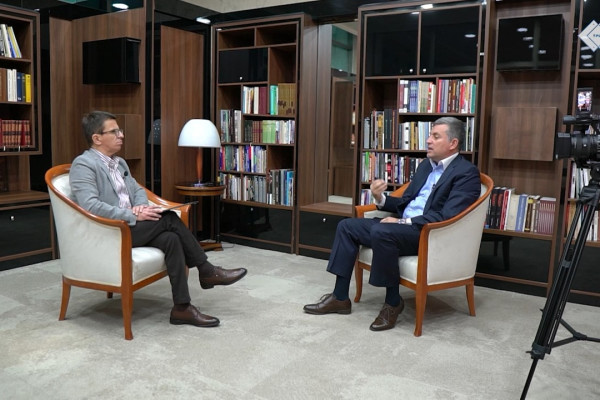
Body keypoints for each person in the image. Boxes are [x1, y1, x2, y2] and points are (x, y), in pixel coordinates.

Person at [69, 111, 247, 328]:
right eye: (114, 132)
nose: (121, 135)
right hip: (111, 230)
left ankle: (181, 308)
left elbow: (137, 190)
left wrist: (140, 206)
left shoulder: (119, 163)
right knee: (169, 218)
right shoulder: (84, 165)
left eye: (120, 130)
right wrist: (133, 214)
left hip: (131, 225)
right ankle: (206, 270)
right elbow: (91, 206)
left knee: (172, 238)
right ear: (97, 138)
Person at [304, 116, 481, 331]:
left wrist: (402, 221)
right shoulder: (426, 166)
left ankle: (393, 302)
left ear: (453, 143)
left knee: (383, 231)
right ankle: (340, 297)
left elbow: (447, 216)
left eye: (435, 136)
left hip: (427, 233)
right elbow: (407, 201)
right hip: (401, 226)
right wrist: (380, 198)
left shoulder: (466, 173)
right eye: (429, 135)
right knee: (347, 226)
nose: (428, 141)